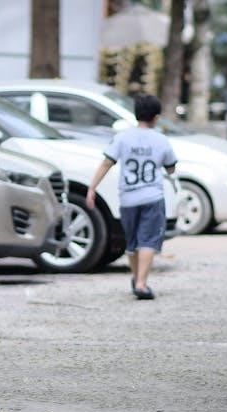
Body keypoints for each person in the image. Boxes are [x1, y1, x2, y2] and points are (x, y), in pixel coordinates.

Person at [85, 94, 177, 300]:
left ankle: (137, 279)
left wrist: (92, 188)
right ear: (156, 117)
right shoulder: (161, 140)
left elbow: (106, 163)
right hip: (152, 197)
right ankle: (142, 284)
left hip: (128, 198)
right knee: (148, 240)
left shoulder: (122, 138)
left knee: (132, 242)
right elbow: (171, 168)